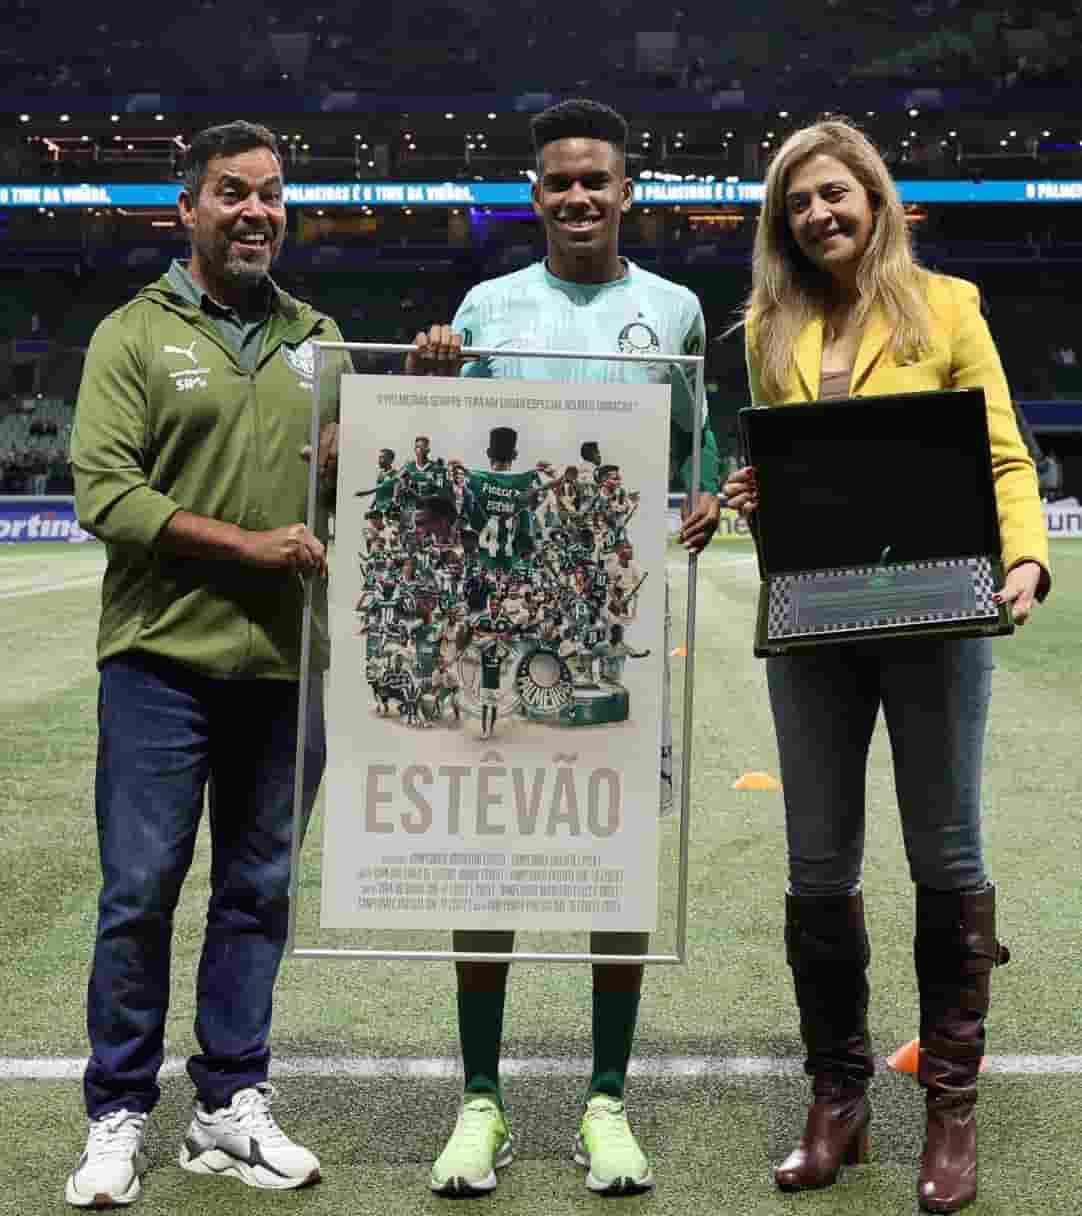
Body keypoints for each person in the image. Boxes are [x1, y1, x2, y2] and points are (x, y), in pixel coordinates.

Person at [723, 118, 1051, 1214]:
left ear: (873, 196)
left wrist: (1025, 557)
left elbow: (1001, 452)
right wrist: (754, 492)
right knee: (817, 862)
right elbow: (783, 469)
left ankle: (949, 1108)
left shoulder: (947, 305)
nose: (818, 214)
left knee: (944, 849)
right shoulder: (765, 328)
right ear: (783, 224)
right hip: (813, 612)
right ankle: (839, 1101)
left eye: (834, 193)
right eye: (797, 203)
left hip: (938, 608)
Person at [406, 98, 721, 1198]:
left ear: (627, 190)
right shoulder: (485, 307)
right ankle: (479, 1099)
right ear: (534, 194)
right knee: (487, 846)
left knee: (615, 854)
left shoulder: (673, 308)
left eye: (596, 179)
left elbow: (693, 441)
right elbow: (438, 451)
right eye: (559, 181)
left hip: (618, 618)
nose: (579, 196)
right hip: (496, 617)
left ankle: (606, 1099)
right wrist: (429, 378)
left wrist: (703, 496)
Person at [66, 120, 351, 1209]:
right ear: (187, 208)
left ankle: (228, 1105)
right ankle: (117, 1112)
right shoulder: (132, 334)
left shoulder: (322, 338)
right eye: (233, 192)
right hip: (159, 662)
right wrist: (250, 547)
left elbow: (364, 482)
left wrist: (415, 398)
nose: (256, 212)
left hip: (286, 665)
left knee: (257, 892)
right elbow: (108, 494)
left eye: (271, 193)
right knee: (139, 892)